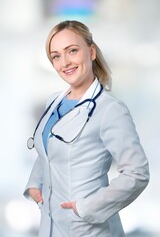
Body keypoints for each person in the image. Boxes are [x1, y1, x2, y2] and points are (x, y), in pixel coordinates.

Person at [24, 20, 149, 237]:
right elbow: (50, 149)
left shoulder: (110, 109)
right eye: (56, 56)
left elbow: (137, 173)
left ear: (91, 52)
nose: (65, 62)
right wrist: (35, 183)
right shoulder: (54, 102)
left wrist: (87, 207)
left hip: (89, 230)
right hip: (50, 226)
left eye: (72, 51)